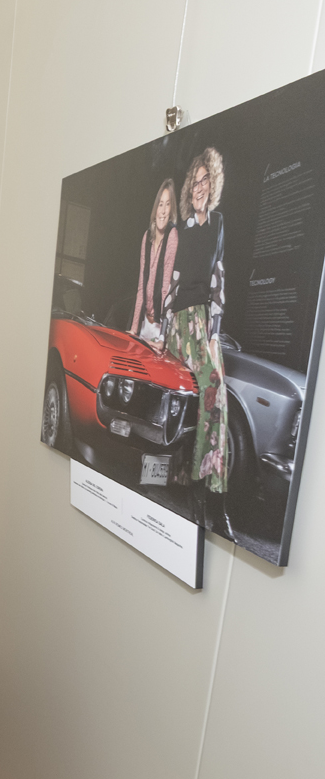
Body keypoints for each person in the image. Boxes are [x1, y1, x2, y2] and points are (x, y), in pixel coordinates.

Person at [162, 148, 233, 537]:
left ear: (213, 185)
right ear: (190, 187)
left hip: (204, 323)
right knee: (180, 396)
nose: (201, 186)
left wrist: (215, 327)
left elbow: (219, 277)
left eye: (207, 180)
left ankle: (209, 492)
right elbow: (172, 281)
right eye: (197, 180)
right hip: (178, 323)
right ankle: (179, 477)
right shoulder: (181, 231)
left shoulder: (217, 224)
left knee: (214, 393)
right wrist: (166, 327)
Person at [129, 179, 178, 343]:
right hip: (145, 324)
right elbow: (141, 286)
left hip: (159, 327)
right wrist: (134, 328)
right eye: (160, 204)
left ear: (172, 210)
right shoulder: (146, 237)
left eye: (168, 205)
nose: (163, 211)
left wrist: (163, 337)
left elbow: (166, 289)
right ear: (155, 208)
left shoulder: (172, 235)